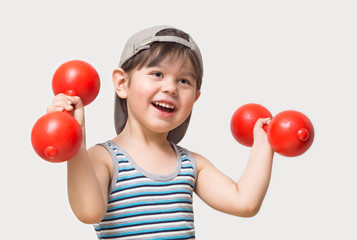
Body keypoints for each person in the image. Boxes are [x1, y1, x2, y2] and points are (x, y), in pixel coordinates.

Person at [47, 25, 275, 239]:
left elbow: (244, 202)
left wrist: (264, 143)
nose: (170, 88)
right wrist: (75, 137)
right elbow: (89, 212)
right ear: (122, 83)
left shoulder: (190, 164)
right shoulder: (103, 158)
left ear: (195, 98)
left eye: (184, 80)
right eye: (157, 74)